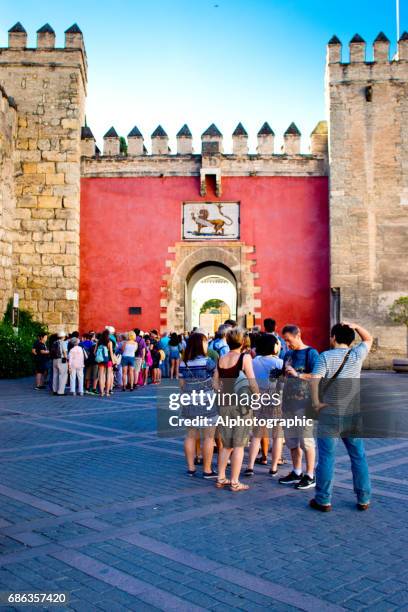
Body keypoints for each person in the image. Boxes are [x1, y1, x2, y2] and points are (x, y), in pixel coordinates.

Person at [309, 322, 373, 512]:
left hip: (329, 413)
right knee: (358, 456)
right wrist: (355, 325)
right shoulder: (356, 355)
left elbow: (315, 381)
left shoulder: (325, 356)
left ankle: (323, 500)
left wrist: (315, 403)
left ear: (334, 337)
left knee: (327, 458)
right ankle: (363, 498)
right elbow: (368, 338)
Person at [213, 326, 260, 492]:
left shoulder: (221, 358)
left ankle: (220, 477)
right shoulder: (244, 358)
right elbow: (252, 381)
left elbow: (214, 384)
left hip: (225, 404)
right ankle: (234, 481)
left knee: (226, 444)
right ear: (242, 341)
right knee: (239, 444)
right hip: (241, 405)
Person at [278, 324, 319, 490]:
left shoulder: (311, 353)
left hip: (305, 404)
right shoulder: (287, 354)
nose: (287, 344)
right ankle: (296, 471)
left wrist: (298, 374)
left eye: (289, 340)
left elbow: (317, 377)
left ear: (298, 335)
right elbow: (283, 376)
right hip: (288, 403)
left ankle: (310, 475)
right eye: (285, 341)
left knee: (306, 441)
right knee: (292, 441)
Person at [244, 334, 284, 477]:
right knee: (277, 434)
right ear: (274, 347)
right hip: (276, 399)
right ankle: (273, 467)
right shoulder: (280, 363)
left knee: (257, 434)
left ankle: (250, 466)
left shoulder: (254, 361)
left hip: (258, 398)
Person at [179, 332, 217, 478]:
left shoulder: (184, 363)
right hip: (206, 402)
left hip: (189, 400)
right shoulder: (208, 362)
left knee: (190, 436)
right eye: (205, 342)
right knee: (209, 437)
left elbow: (181, 384)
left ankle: (191, 468)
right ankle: (207, 470)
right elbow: (215, 383)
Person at [95, 329, 115, 397]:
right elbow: (111, 353)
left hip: (100, 360)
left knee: (101, 376)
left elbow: (94, 352)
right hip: (108, 360)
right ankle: (107, 392)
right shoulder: (110, 342)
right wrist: (114, 362)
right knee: (108, 376)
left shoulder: (98, 342)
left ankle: (101, 392)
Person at [51, 331, 68, 396]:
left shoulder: (54, 342)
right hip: (61, 360)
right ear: (63, 337)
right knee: (62, 375)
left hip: (54, 360)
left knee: (55, 375)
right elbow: (64, 352)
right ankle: (60, 391)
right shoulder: (63, 343)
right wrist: (67, 359)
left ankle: (54, 390)